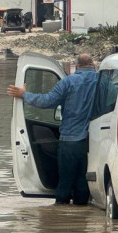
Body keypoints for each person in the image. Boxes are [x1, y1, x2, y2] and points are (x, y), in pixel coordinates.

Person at [7, 53, 98, 205]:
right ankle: (82, 217)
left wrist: (24, 94)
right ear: (93, 65)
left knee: (65, 183)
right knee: (83, 183)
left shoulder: (68, 82)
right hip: (94, 141)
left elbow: (47, 101)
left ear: (76, 66)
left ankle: (60, 218)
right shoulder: (101, 81)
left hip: (70, 140)